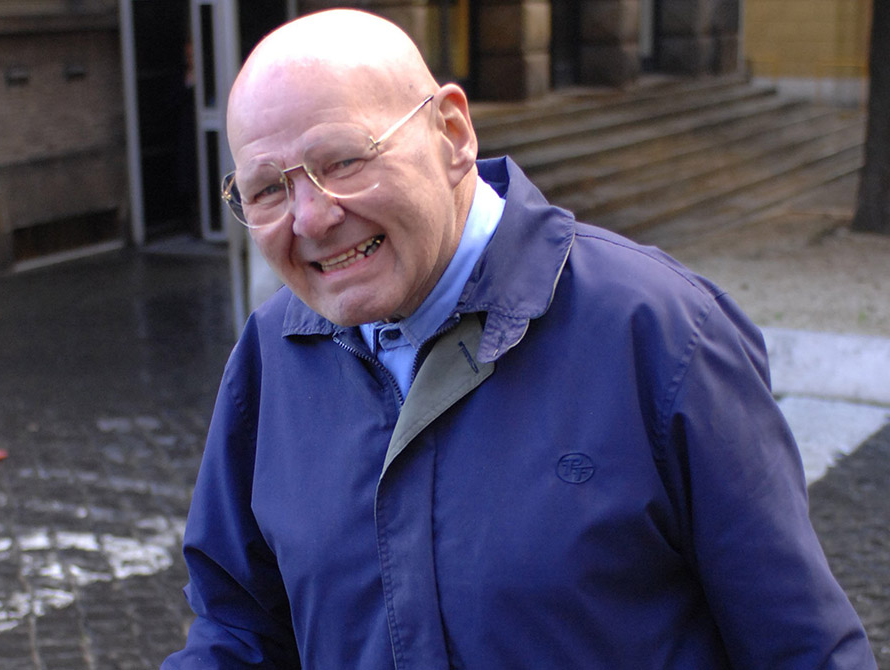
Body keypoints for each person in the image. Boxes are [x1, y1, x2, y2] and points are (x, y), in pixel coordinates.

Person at [163, 9, 876, 669]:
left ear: (452, 134)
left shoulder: (660, 334)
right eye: (267, 189)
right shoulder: (271, 352)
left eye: (344, 160)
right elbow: (238, 628)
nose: (312, 217)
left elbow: (802, 651)